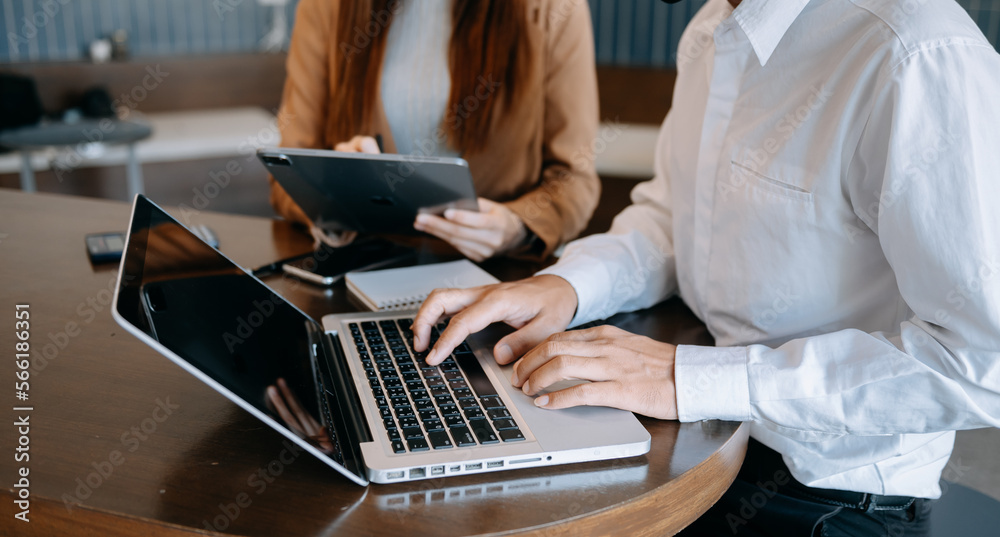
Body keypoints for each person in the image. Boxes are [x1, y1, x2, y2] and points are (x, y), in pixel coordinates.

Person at [411, 0, 1000, 535]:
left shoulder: (919, 55)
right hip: (695, 443)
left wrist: (692, 379)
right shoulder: (711, 30)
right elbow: (672, 218)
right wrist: (566, 285)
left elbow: (982, 364)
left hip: (825, 498)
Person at [269, 0, 600, 261]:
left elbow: (574, 181)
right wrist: (331, 200)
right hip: (365, 270)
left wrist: (515, 226)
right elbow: (286, 178)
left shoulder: (554, 7)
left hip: (497, 280)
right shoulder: (325, 7)